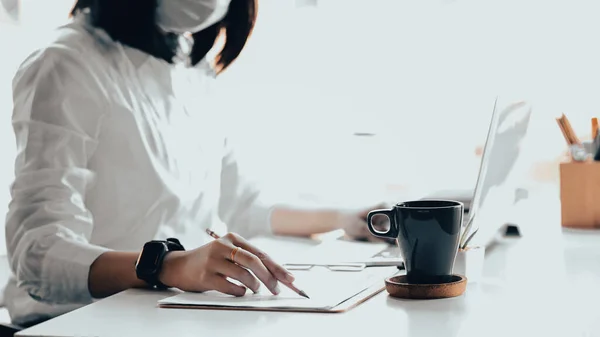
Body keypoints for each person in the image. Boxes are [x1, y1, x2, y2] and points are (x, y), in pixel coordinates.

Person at [4, 0, 385, 327]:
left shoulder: (190, 67)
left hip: (167, 312)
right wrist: (167, 265)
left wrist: (342, 218)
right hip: (76, 320)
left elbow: (243, 204)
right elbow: (39, 254)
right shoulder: (64, 65)